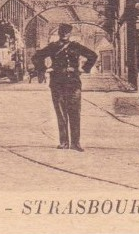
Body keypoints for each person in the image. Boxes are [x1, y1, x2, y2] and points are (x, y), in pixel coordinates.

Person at [32, 24, 97, 152]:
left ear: (70, 34)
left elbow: (93, 55)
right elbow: (36, 57)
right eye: (62, 32)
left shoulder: (76, 46)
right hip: (57, 83)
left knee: (75, 113)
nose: (64, 34)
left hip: (73, 83)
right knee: (61, 114)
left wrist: (83, 69)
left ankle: (75, 143)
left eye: (67, 32)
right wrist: (45, 69)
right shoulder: (53, 47)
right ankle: (63, 142)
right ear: (59, 33)